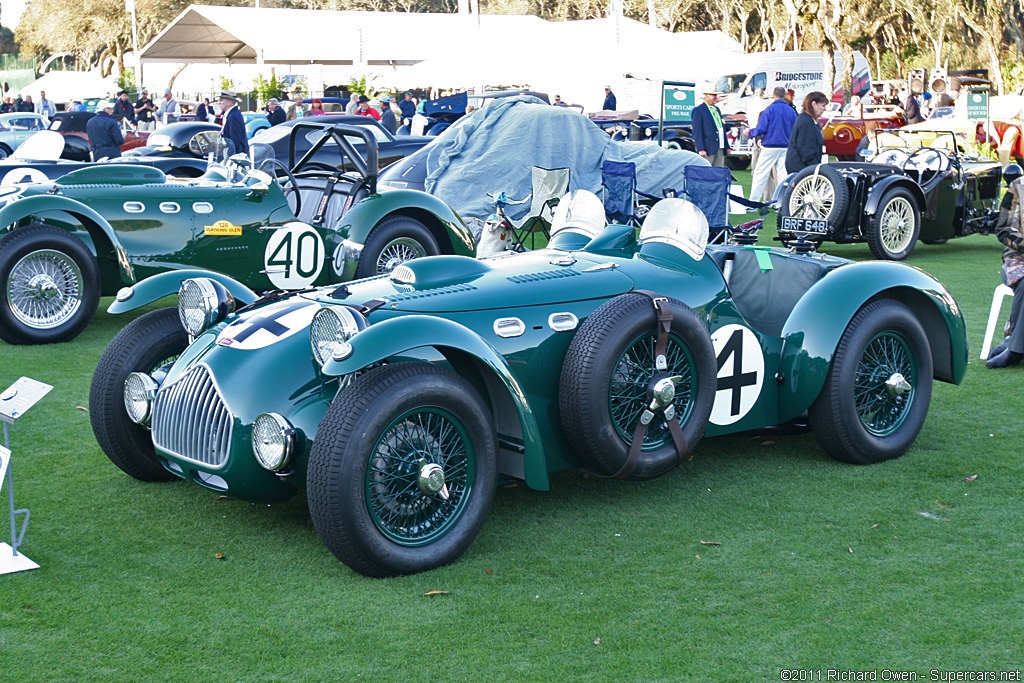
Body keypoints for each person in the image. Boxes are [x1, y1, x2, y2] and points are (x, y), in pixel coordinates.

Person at [987, 175, 1024, 368]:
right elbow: (1003, 229)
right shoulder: (1019, 186)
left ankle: (1013, 343)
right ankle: (1015, 349)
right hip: (1019, 257)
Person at [747, 86, 797, 203]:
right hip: (786, 147)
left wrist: (750, 132)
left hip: (770, 146)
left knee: (760, 174)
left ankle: (753, 202)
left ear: (774, 95)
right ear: (784, 95)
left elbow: (761, 128)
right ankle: (782, 202)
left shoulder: (769, 110)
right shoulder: (791, 111)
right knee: (783, 175)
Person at [786, 91, 829, 174]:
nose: (825, 109)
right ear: (814, 104)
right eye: (823, 106)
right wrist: (816, 168)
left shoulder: (808, 121)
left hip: (802, 167)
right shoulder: (806, 123)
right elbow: (806, 149)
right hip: (801, 168)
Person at [691, 84, 726, 167]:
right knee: (706, 172)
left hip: (719, 146)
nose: (716, 98)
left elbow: (721, 127)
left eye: (716, 95)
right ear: (706, 96)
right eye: (714, 95)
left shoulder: (717, 110)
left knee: (718, 171)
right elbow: (697, 132)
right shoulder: (698, 110)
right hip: (707, 148)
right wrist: (701, 149)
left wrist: (726, 146)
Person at [218, 91, 248, 157]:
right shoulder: (230, 114)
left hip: (237, 154)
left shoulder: (233, 115)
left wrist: (230, 155)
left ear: (229, 102)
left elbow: (235, 139)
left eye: (221, 100)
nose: (219, 103)